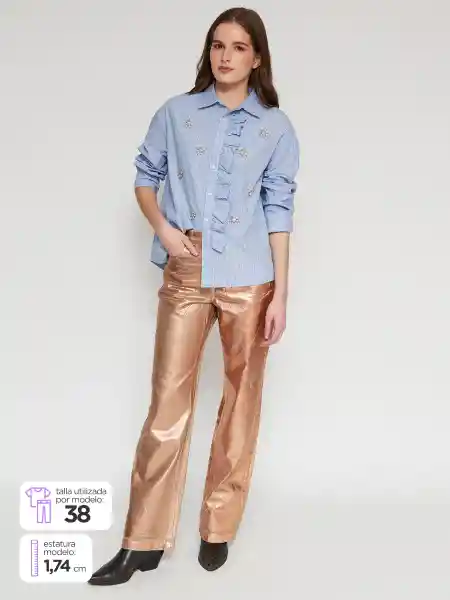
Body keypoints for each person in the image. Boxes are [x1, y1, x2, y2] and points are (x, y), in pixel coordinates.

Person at [88, 6, 300, 586]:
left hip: (250, 278)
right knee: (167, 405)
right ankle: (141, 542)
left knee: (240, 403)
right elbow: (145, 177)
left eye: (238, 47)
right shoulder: (176, 113)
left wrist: (281, 293)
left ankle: (218, 528)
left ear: (257, 58)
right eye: (217, 45)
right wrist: (162, 229)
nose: (225, 56)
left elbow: (279, 209)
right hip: (186, 270)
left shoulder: (275, 127)